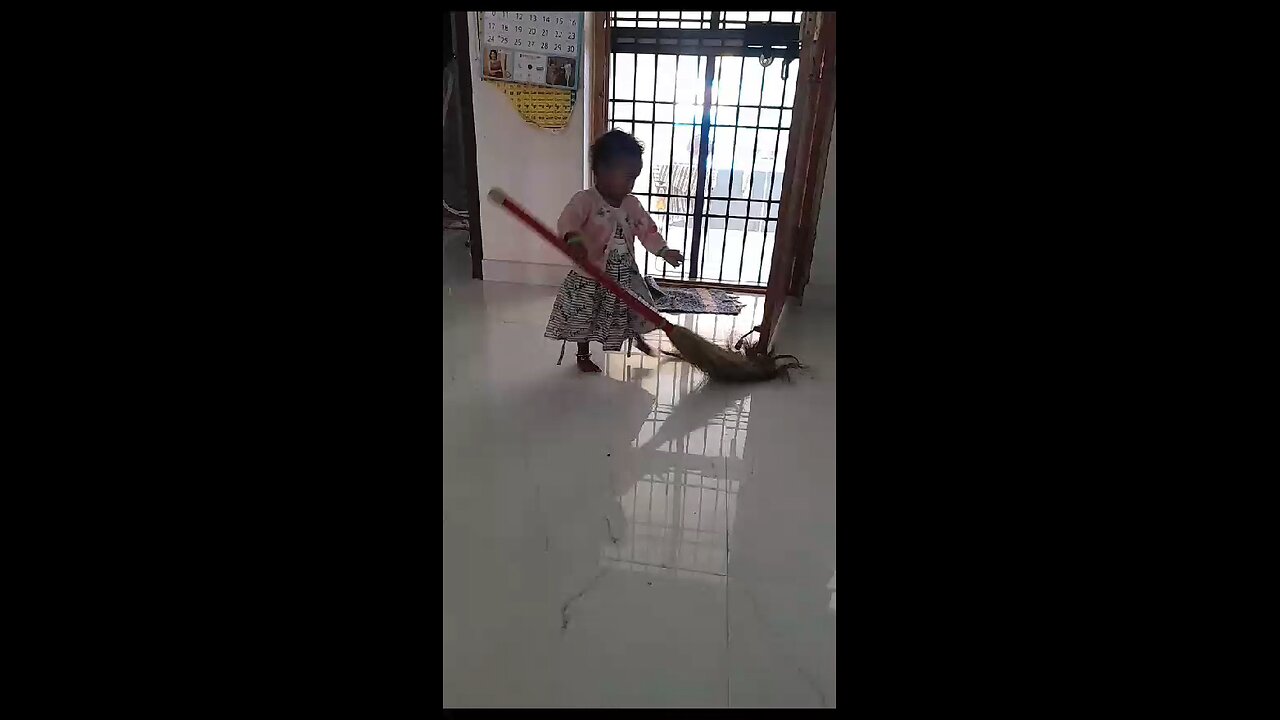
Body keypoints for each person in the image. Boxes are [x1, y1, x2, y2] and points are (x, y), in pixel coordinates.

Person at [545, 130, 684, 373]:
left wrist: (663, 250)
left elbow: (647, 230)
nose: (632, 184)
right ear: (601, 171)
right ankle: (583, 354)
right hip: (590, 274)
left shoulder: (632, 204)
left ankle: (636, 338)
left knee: (634, 307)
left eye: (635, 178)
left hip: (624, 272)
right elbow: (568, 221)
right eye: (628, 177)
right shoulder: (585, 200)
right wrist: (574, 240)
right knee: (586, 315)